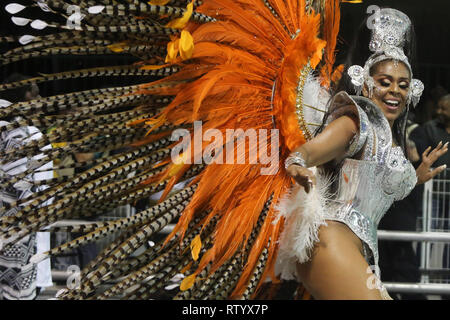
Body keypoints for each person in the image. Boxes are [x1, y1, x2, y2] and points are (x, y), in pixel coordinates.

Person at [277, 8, 448, 300]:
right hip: (331, 242)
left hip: (356, 249)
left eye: (402, 84)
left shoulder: (389, 140)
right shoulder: (355, 123)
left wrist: (416, 178)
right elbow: (305, 154)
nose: (394, 90)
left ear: (412, 92)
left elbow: (380, 184)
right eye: (385, 82)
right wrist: (298, 165)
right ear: (365, 83)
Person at [0, 74, 53, 300]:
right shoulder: (28, 136)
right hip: (17, 242)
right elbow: (34, 195)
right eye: (36, 94)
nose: (40, 100)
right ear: (25, 98)